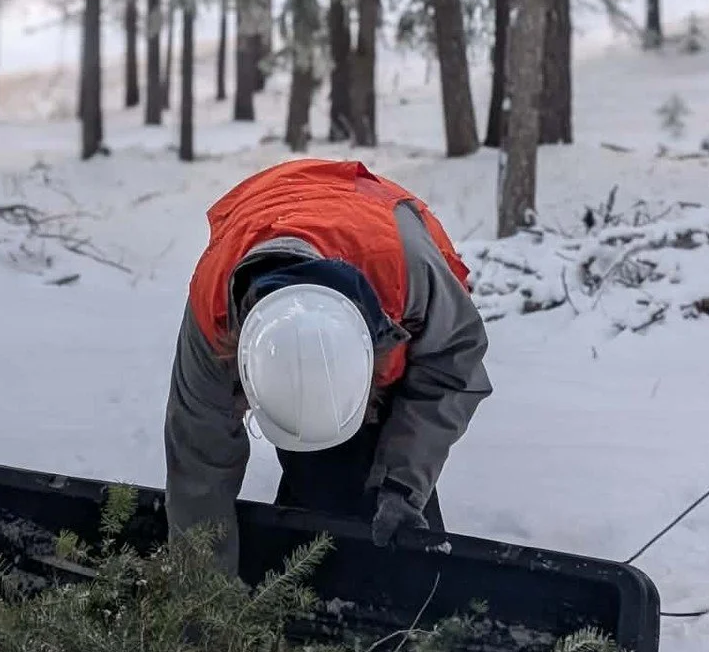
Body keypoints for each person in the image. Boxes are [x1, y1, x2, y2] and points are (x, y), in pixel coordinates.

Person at [164, 158, 490, 574]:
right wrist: (205, 613)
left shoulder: (411, 272)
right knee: (322, 477)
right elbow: (198, 475)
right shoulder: (213, 321)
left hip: (382, 248)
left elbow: (453, 369)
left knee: (370, 493)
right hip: (276, 213)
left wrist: (403, 487)